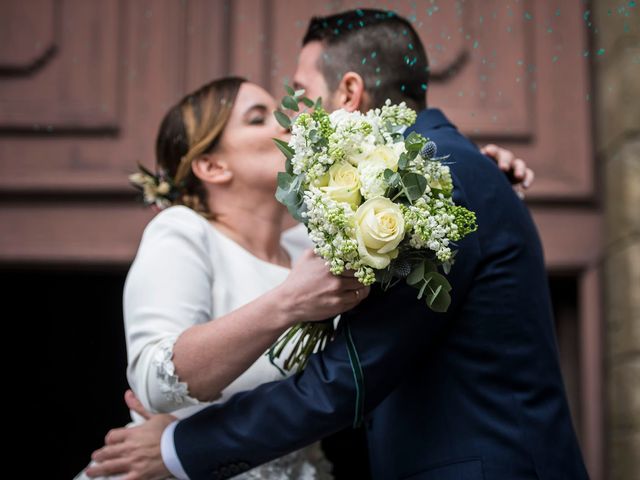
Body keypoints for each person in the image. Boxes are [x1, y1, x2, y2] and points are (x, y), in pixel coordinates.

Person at [84, 10, 560, 480]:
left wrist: (179, 449)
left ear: (350, 92)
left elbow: (348, 373)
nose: (297, 119)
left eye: (305, 96)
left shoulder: (429, 185)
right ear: (211, 167)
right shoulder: (413, 189)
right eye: (260, 118)